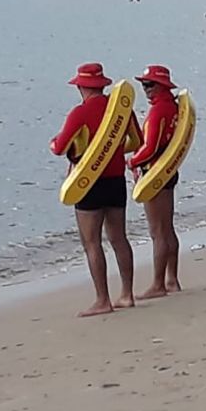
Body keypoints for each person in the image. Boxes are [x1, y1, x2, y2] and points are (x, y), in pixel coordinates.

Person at [49, 62, 141, 317]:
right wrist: (112, 153)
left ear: (81, 87)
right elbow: (137, 141)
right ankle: (127, 294)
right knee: (119, 238)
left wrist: (53, 143)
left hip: (88, 182)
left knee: (92, 243)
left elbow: (59, 147)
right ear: (102, 85)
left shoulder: (79, 113)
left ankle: (103, 300)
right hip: (115, 181)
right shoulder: (121, 111)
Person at [128, 65, 182, 299]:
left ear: (161, 85)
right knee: (167, 227)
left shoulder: (159, 110)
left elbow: (150, 147)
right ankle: (172, 280)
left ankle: (158, 284)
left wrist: (132, 162)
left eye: (149, 85)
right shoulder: (174, 107)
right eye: (143, 85)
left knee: (157, 231)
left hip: (154, 173)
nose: (145, 89)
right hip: (168, 170)